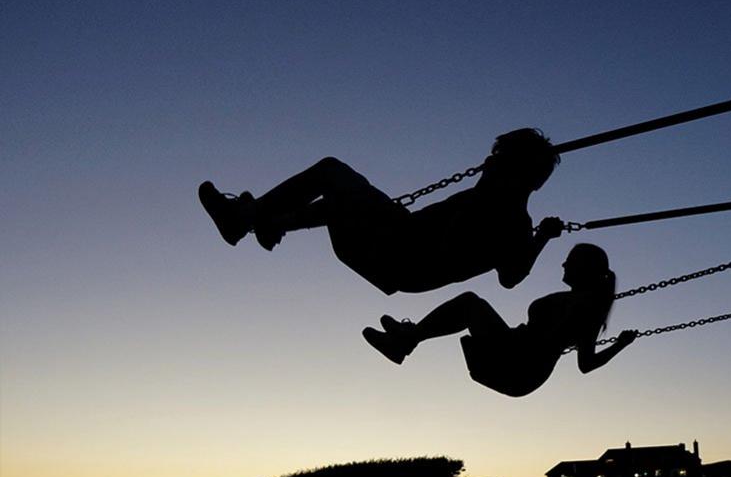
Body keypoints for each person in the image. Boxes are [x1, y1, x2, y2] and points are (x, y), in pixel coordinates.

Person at [198, 128, 564, 295]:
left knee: (331, 173)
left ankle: (248, 219)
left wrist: (541, 238)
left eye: (498, 158)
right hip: (394, 247)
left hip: (398, 255)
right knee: (341, 198)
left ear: (517, 173)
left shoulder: (511, 220)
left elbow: (511, 276)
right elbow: (510, 274)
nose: (488, 161)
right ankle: (267, 221)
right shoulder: (493, 204)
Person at [362, 243, 638, 396]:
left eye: (569, 261)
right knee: (470, 304)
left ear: (583, 267)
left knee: (470, 303)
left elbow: (585, 364)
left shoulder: (586, 306)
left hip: (520, 364)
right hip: (516, 354)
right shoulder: (578, 300)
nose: (563, 265)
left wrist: (621, 344)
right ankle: (406, 339)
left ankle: (406, 340)